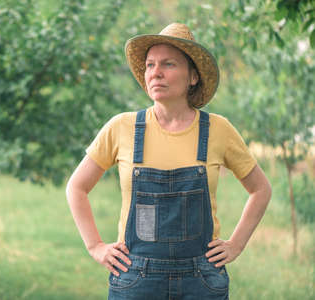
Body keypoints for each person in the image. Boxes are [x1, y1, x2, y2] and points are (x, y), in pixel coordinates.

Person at [66, 23, 271, 300]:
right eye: (150, 65)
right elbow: (76, 187)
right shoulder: (122, 127)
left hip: (202, 280)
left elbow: (261, 189)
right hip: (136, 278)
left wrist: (236, 245)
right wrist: (95, 246)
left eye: (168, 64)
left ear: (193, 77)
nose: (156, 72)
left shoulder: (218, 130)